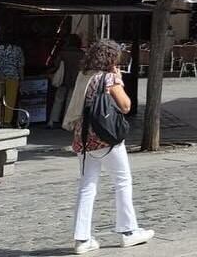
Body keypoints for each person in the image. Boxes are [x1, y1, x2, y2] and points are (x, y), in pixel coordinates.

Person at [64, 40, 153, 253]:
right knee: (122, 181)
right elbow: (125, 106)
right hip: (106, 138)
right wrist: (119, 80)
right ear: (112, 58)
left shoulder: (84, 75)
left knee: (87, 186)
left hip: (83, 137)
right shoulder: (109, 78)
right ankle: (128, 231)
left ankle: (82, 239)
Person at [49, 35, 87, 128]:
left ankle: (52, 121)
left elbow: (56, 65)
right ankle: (66, 122)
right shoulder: (82, 54)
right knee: (70, 101)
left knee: (58, 100)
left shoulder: (63, 53)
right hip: (75, 79)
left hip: (62, 79)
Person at [0, 36, 25, 116]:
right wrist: (22, 78)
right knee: (10, 100)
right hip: (13, 77)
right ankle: (7, 120)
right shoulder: (17, 50)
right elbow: (20, 66)